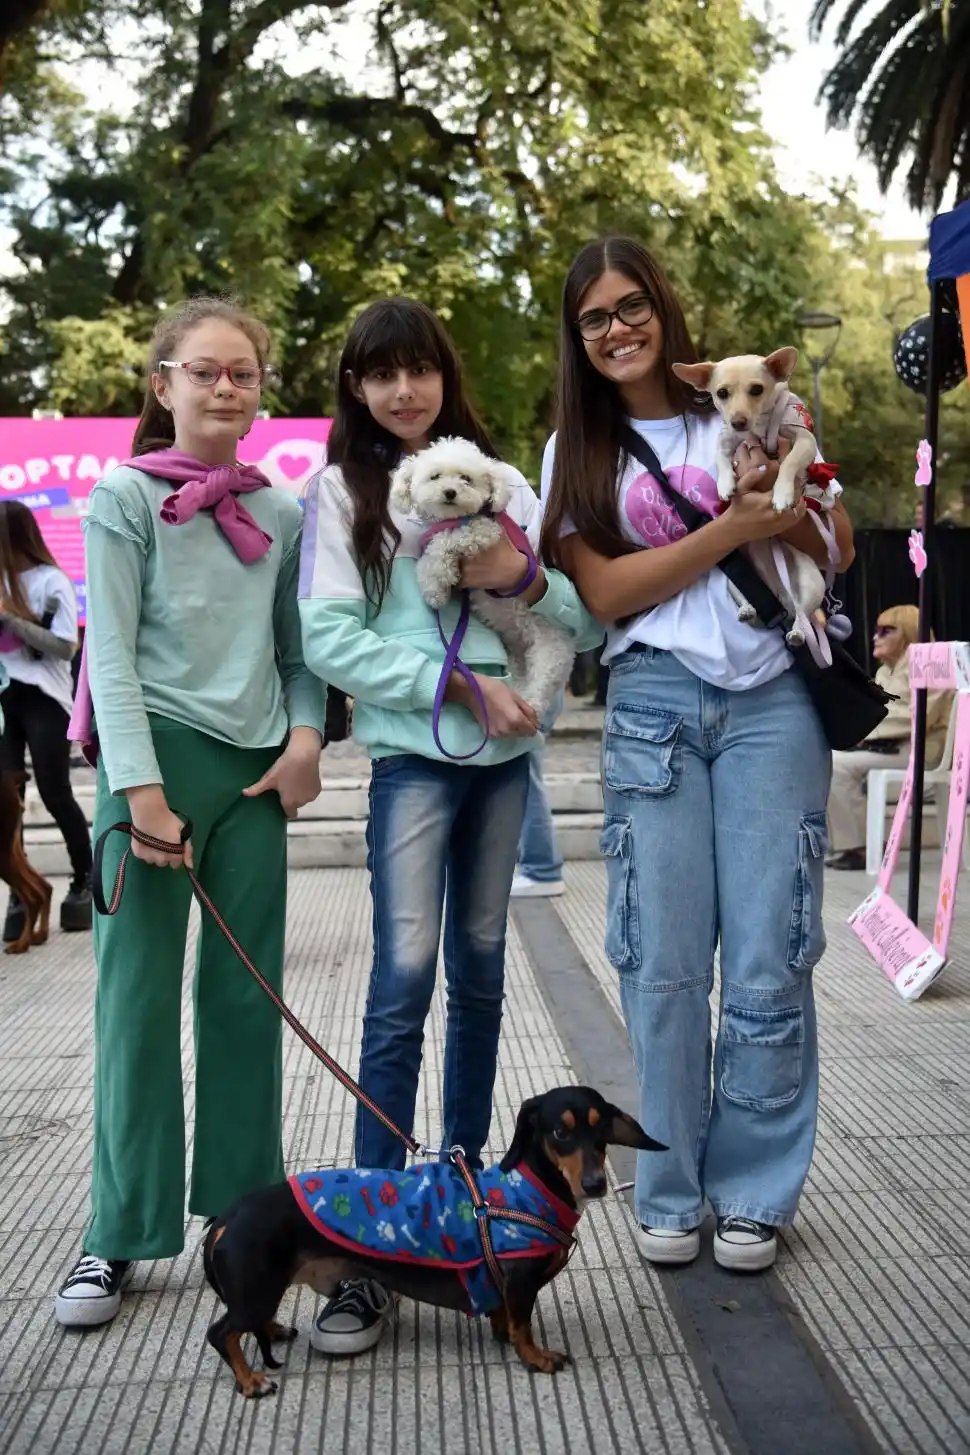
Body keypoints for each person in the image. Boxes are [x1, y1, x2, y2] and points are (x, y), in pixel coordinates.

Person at [540, 236, 855, 1273]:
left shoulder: (753, 401)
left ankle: (755, 1191)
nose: (616, 328)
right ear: (577, 340)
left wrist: (787, 506)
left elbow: (833, 544)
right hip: (655, 708)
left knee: (771, 955)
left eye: (632, 307)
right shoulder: (572, 454)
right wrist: (731, 524)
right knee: (661, 967)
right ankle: (669, 1184)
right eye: (594, 318)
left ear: (663, 314)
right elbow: (608, 596)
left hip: (772, 699)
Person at [298, 296, 601, 1353]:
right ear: (355, 387)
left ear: (444, 373)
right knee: (399, 987)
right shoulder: (338, 492)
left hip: (505, 767)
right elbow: (327, 636)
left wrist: (522, 576)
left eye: (420, 368)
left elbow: (582, 617)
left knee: (481, 980)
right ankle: (366, 1244)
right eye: (381, 374)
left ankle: (464, 1204)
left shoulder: (506, 482)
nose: (404, 390)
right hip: (414, 763)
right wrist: (457, 688)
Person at [53, 297, 325, 1330]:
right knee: (133, 1004)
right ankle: (114, 1234)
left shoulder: (287, 512)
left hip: (256, 777)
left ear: (261, 394)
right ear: (161, 384)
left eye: (242, 374)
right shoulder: (120, 498)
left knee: (243, 1006)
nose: (224, 388)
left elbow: (299, 658)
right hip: (150, 774)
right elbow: (108, 656)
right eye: (203, 371)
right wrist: (143, 795)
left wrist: (305, 743)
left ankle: (245, 1220)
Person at [0, 501, 92, 934]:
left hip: (44, 697)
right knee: (5, 801)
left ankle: (85, 879)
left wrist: (10, 619)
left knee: (55, 791)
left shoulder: (50, 580)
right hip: (4, 699)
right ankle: (21, 891)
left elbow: (64, 647)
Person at [826, 605, 951, 870]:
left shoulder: (930, 666)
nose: (875, 637)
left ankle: (859, 848)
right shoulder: (885, 672)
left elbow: (915, 716)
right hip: (887, 750)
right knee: (825, 759)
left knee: (837, 766)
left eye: (886, 630)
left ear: (908, 632)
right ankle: (853, 844)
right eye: (876, 630)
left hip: (918, 754)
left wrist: (860, 729)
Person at [511, 689, 566, 898]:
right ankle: (541, 868)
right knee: (525, 770)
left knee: (524, 773)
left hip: (530, 687)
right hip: (538, 687)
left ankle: (542, 869)